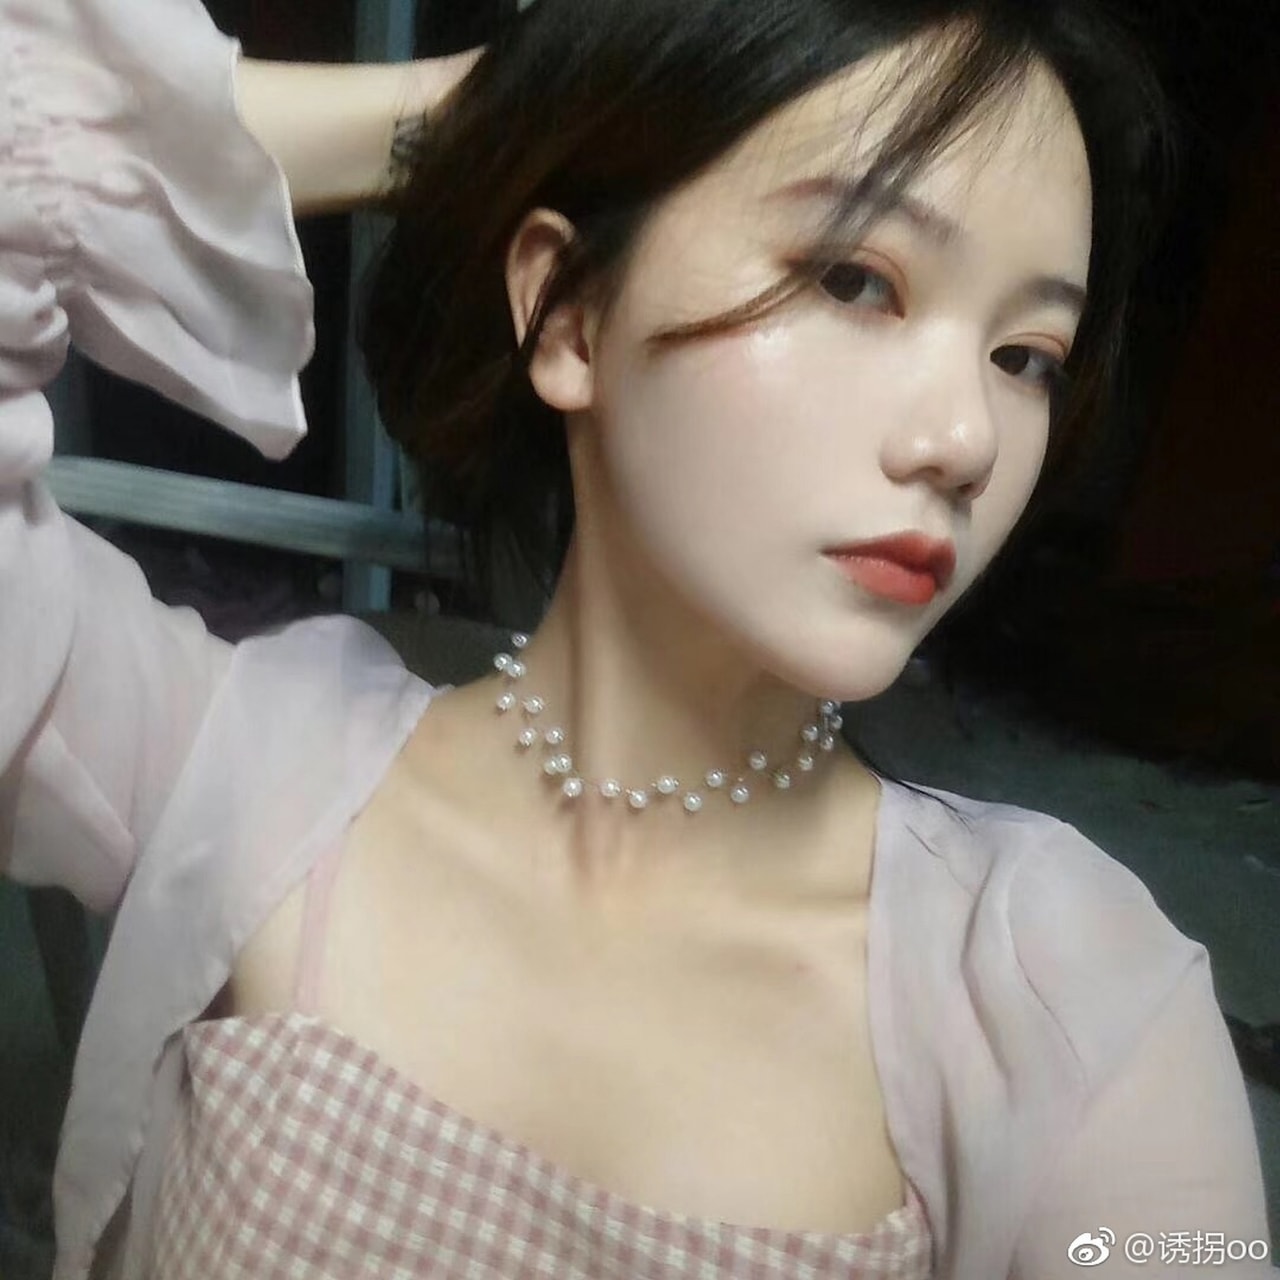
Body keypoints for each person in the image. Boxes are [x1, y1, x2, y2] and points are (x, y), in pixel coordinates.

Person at [0, 0, 1272, 1276]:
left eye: (1024, 355)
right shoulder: (233, 761)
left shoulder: (1074, 1003)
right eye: (855, 279)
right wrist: (501, 111)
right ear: (568, 315)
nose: (965, 441)